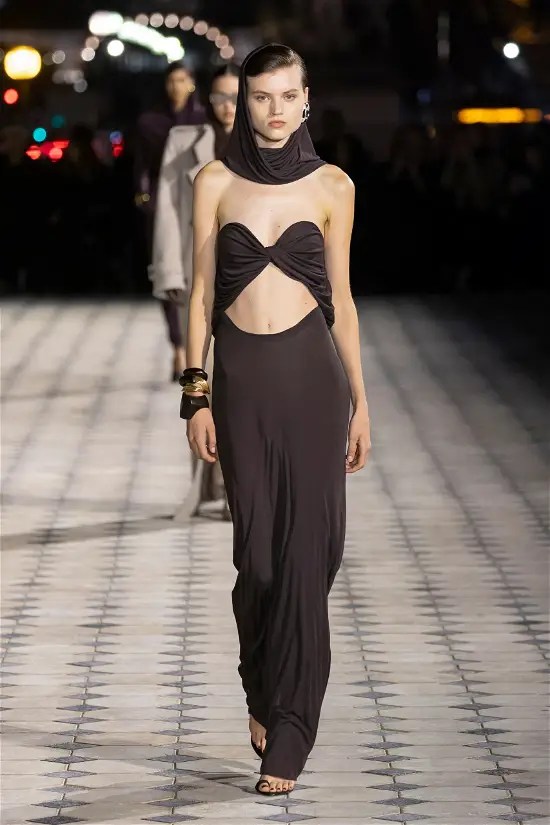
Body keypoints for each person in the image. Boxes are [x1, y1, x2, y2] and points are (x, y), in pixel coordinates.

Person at [181, 43, 371, 795]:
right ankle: (261, 685)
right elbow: (201, 294)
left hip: (315, 384)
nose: (276, 109)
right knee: (257, 560)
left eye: (288, 95)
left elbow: (342, 302)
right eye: (262, 96)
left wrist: (362, 402)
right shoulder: (214, 181)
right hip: (243, 386)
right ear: (243, 102)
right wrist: (195, 393)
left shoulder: (333, 186)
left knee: (306, 559)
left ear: (306, 99)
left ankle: (289, 733)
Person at [150, 63, 240, 520]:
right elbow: (168, 208)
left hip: (249, 277)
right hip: (197, 271)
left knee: (238, 384)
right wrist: (168, 271)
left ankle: (232, 486)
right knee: (198, 379)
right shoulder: (184, 142)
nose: (228, 107)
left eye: (236, 97)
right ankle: (205, 483)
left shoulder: (266, 145)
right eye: (220, 97)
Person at [135, 60, 206, 380]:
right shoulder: (150, 122)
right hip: (163, 205)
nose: (176, 86)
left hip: (197, 203)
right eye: (171, 80)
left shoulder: (204, 119)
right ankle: (177, 347)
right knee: (167, 274)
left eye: (182, 79)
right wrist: (144, 198)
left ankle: (195, 347)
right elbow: (140, 165)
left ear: (191, 83)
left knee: (197, 274)